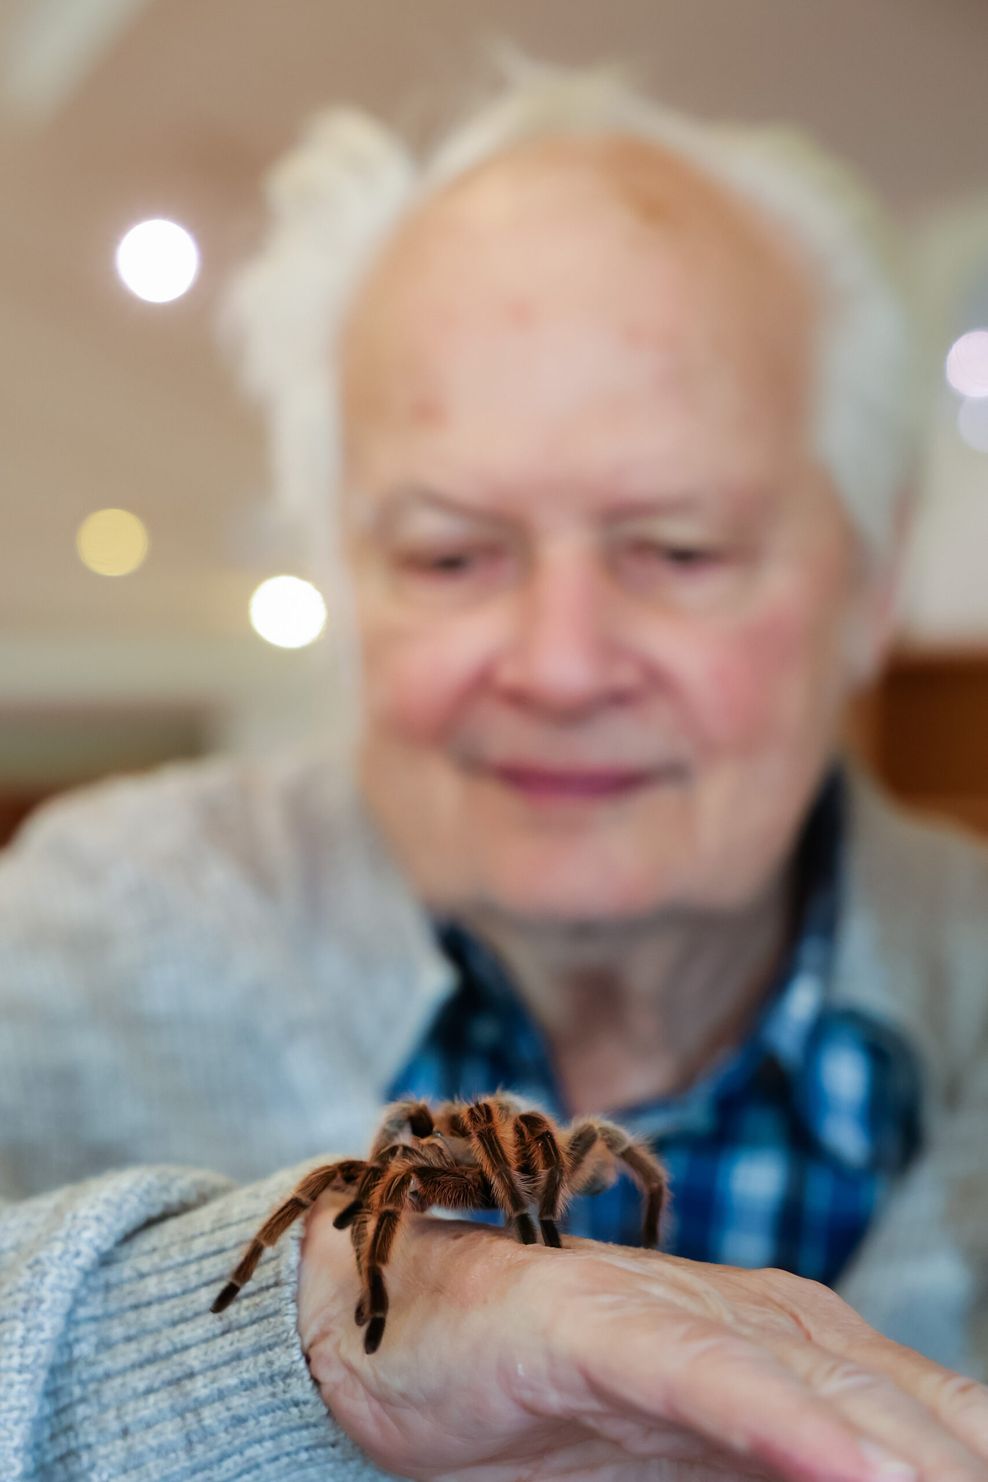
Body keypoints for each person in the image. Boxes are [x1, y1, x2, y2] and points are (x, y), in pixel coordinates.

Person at [2, 59, 987, 1482]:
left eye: (679, 549)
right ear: (349, 570)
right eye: (452, 552)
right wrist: (292, 1337)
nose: (560, 664)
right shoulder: (90, 929)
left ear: (874, 579)